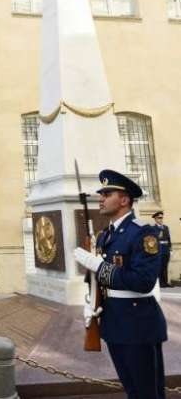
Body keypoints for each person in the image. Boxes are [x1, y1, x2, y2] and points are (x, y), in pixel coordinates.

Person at [74, 170, 167, 399]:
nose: (101, 198)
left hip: (138, 325)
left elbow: (143, 281)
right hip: (114, 322)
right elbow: (99, 280)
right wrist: (93, 303)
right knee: (132, 390)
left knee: (147, 393)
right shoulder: (106, 235)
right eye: (101, 194)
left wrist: (99, 266)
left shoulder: (143, 233)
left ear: (124, 200)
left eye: (107, 193)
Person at [152, 211, 173, 287]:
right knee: (159, 266)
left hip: (166, 249)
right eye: (159, 218)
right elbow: (153, 240)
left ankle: (165, 282)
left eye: (162, 218)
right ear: (155, 219)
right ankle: (160, 283)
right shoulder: (153, 228)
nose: (161, 219)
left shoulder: (166, 227)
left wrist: (170, 249)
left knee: (165, 266)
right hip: (159, 249)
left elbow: (168, 238)